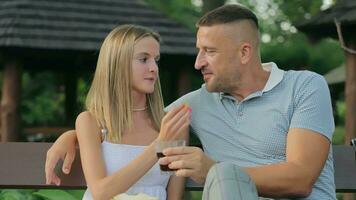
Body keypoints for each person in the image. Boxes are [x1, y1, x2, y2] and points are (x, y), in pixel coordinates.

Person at [45, 4, 336, 200]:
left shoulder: (304, 87)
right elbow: (141, 124)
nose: (198, 63)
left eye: (209, 51)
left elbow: (300, 178)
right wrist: (74, 135)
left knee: (223, 177)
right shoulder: (195, 105)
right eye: (199, 51)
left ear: (244, 52)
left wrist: (211, 169)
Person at [48, 24, 191, 200]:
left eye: (156, 59)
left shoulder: (171, 124)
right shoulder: (91, 121)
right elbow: (100, 192)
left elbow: (174, 197)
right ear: (118, 63)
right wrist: (158, 146)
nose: (154, 68)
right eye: (144, 59)